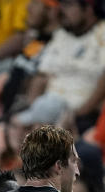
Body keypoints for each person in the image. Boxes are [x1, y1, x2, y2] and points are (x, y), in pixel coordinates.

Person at [33, 0, 105, 132]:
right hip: (47, 108)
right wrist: (32, 111)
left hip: (81, 114)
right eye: (61, 4)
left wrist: (80, 113)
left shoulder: (102, 32)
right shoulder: (61, 34)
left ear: (88, 9)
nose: (61, 10)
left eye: (68, 5)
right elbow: (41, 76)